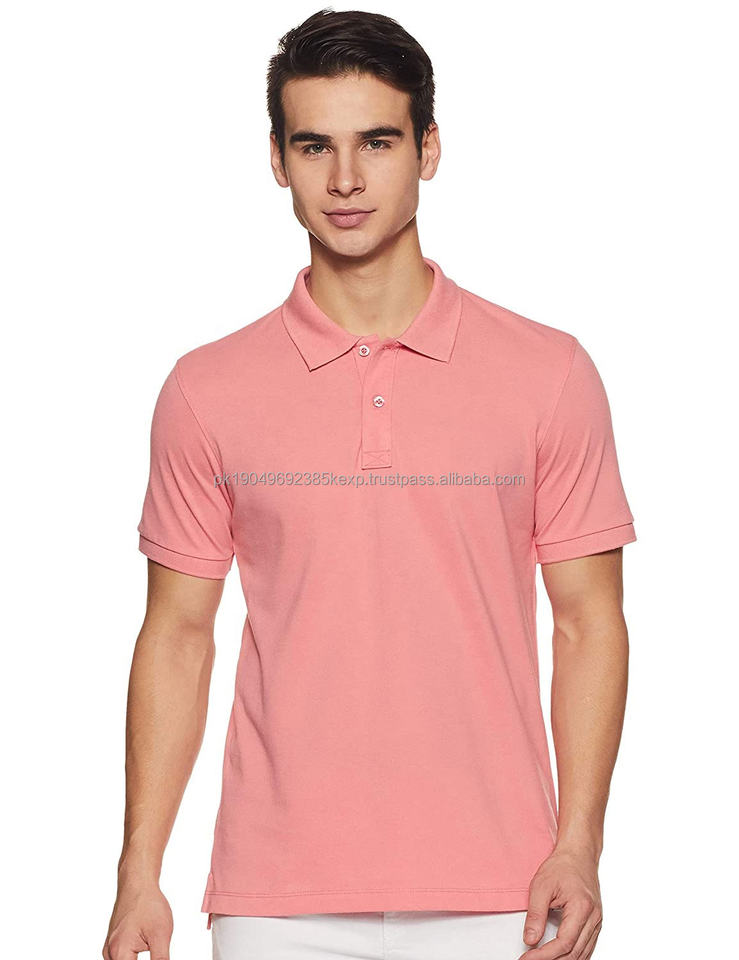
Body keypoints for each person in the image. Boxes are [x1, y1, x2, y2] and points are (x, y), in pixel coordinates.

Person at [103, 9, 637, 960]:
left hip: (502, 891)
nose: (344, 178)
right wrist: (139, 870)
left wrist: (578, 847)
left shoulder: (548, 373)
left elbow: (587, 623)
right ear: (277, 160)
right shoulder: (206, 389)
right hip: (276, 899)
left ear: (427, 149)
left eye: (377, 142)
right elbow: (178, 636)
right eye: (314, 145)